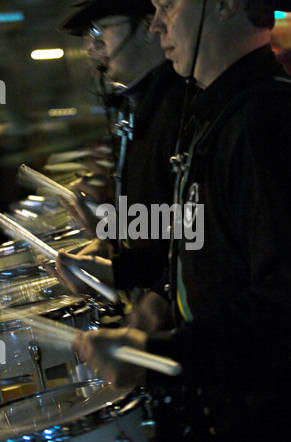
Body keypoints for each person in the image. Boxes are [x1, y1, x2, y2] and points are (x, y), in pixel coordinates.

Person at [58, 0, 291, 442]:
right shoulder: (218, 111)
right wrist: (118, 268)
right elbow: (202, 245)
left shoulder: (262, 120)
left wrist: (155, 354)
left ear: (224, 6)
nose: (156, 23)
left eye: (168, 4)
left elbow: (283, 310)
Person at [53, 1, 195, 319]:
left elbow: (189, 238)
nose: (92, 46)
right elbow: (157, 222)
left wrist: (116, 269)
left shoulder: (179, 109)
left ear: (148, 26)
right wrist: (111, 235)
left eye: (100, 29)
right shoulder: (137, 104)